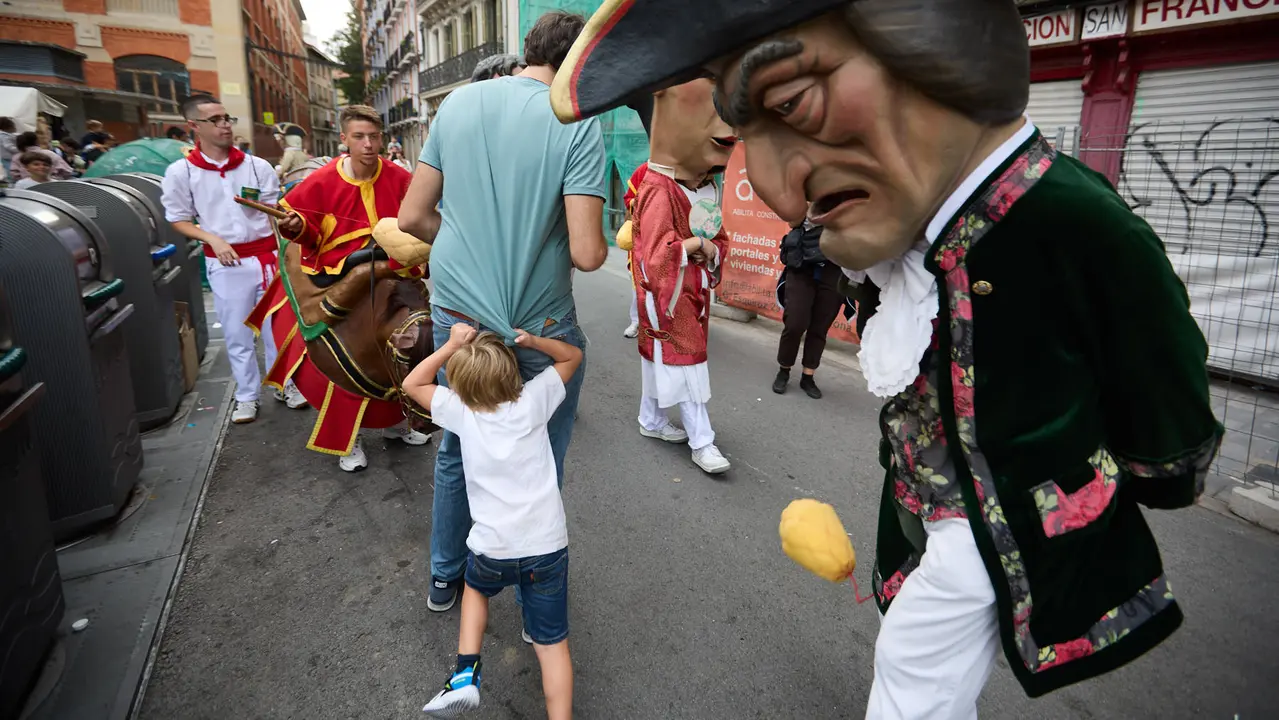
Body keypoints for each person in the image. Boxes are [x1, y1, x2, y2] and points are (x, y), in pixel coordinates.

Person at [553, 0, 1224, 717]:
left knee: (912, 671)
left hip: (1006, 511)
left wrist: (1162, 468)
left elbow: (1158, 356)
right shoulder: (921, 225)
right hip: (923, 497)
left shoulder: (1063, 211)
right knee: (906, 636)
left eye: (793, 102)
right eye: (748, 136)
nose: (779, 192)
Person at [398, 10, 607, 614]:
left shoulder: (458, 106)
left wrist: (466, 237)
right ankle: (531, 586)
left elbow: (413, 218)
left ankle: (445, 577)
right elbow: (591, 253)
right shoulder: (576, 125)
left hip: (457, 314)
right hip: (538, 322)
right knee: (540, 456)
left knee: (458, 451)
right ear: (578, 66)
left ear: (527, 50)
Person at [403, 324, 581, 719]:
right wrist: (534, 342)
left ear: (461, 384)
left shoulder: (461, 412)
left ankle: (466, 670)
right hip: (546, 548)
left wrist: (451, 344)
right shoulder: (533, 401)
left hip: (491, 547)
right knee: (553, 648)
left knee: (475, 591)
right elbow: (572, 356)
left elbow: (413, 383)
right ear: (514, 374)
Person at [249, 104, 430, 471]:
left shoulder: (399, 176)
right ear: (344, 139)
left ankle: (401, 418)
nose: (368, 144)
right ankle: (349, 438)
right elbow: (305, 233)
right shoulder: (318, 183)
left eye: (374, 137)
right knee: (338, 342)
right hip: (339, 268)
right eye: (359, 137)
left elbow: (418, 220)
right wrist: (297, 228)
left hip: (393, 265)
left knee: (416, 334)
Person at [161, 94, 299, 424]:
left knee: (277, 329)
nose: (225, 125)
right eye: (216, 120)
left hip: (266, 258)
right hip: (225, 264)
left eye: (227, 118)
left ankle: (287, 384)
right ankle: (247, 396)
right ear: (194, 126)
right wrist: (211, 238)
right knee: (238, 334)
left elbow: (273, 212)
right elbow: (177, 218)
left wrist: (286, 225)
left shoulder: (257, 166)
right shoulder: (182, 172)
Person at [628, 78, 735, 475]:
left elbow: (721, 239)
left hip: (692, 292)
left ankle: (651, 419)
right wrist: (694, 247)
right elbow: (654, 254)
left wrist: (713, 251)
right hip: (667, 298)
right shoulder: (658, 187)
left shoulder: (706, 187)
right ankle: (702, 441)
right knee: (686, 362)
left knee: (658, 359)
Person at [773, 218, 849, 399]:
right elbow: (792, 217)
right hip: (802, 260)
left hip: (835, 264)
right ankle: (784, 370)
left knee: (820, 325)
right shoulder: (806, 190)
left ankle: (808, 376)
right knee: (795, 322)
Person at [9, 132, 73, 181]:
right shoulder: (50, 154)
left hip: (28, 191)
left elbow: (14, 175)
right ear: (36, 141)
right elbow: (67, 172)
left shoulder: (17, 157)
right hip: (53, 186)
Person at [0, 117, 17, 185]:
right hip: (8, 157)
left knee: (9, 171)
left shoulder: (6, 135)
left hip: (7, 157)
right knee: (10, 172)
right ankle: (11, 183)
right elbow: (8, 146)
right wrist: (18, 150)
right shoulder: (4, 136)